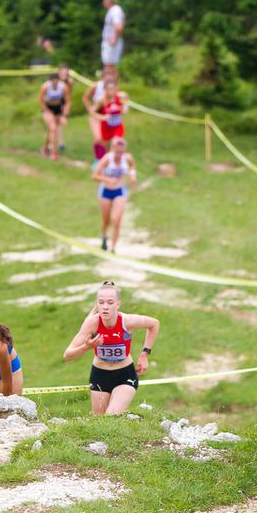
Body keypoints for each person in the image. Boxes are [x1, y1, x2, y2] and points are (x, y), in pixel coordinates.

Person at [62, 281, 159, 415]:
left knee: (112, 415)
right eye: (101, 302)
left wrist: (144, 354)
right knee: (99, 421)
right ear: (96, 304)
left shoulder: (127, 321)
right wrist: (86, 346)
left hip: (125, 375)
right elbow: (67, 355)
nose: (105, 307)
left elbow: (154, 324)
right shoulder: (92, 323)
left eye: (110, 302)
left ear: (118, 304)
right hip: (99, 375)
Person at [91, 136, 136, 252]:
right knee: (106, 220)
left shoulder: (127, 158)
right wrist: (107, 179)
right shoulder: (107, 159)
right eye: (117, 151)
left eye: (121, 151)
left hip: (120, 190)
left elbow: (132, 166)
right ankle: (104, 236)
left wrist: (132, 175)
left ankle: (113, 248)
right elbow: (94, 176)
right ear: (112, 149)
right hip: (105, 191)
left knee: (116, 220)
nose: (119, 154)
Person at [91, 79, 128, 160]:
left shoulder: (120, 97)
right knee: (106, 149)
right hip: (106, 128)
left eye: (113, 89)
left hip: (117, 127)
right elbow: (92, 112)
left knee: (114, 144)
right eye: (109, 89)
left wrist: (124, 104)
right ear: (105, 90)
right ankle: (101, 161)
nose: (111, 91)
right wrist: (103, 117)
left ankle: (113, 165)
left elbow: (125, 110)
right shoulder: (101, 100)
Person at [38, 72, 70, 161]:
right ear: (50, 81)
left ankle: (44, 148)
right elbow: (40, 101)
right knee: (53, 128)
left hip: (58, 109)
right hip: (47, 108)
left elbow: (68, 102)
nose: (55, 83)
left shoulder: (63, 87)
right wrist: (46, 110)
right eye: (53, 82)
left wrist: (64, 115)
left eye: (56, 81)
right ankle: (54, 153)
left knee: (51, 130)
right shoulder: (45, 87)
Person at [101, 0, 125, 78]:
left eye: (104, 0)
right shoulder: (113, 10)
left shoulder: (115, 10)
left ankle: (112, 89)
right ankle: (109, 88)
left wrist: (114, 38)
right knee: (108, 66)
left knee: (109, 67)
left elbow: (118, 27)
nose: (103, 2)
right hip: (110, 42)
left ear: (108, 0)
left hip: (111, 43)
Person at [56, 63, 73, 154]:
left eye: (66, 73)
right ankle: (57, 143)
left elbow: (68, 96)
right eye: (62, 73)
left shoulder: (69, 82)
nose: (64, 75)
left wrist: (66, 108)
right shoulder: (55, 81)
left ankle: (59, 143)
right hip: (54, 104)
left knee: (60, 124)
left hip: (63, 104)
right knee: (54, 125)